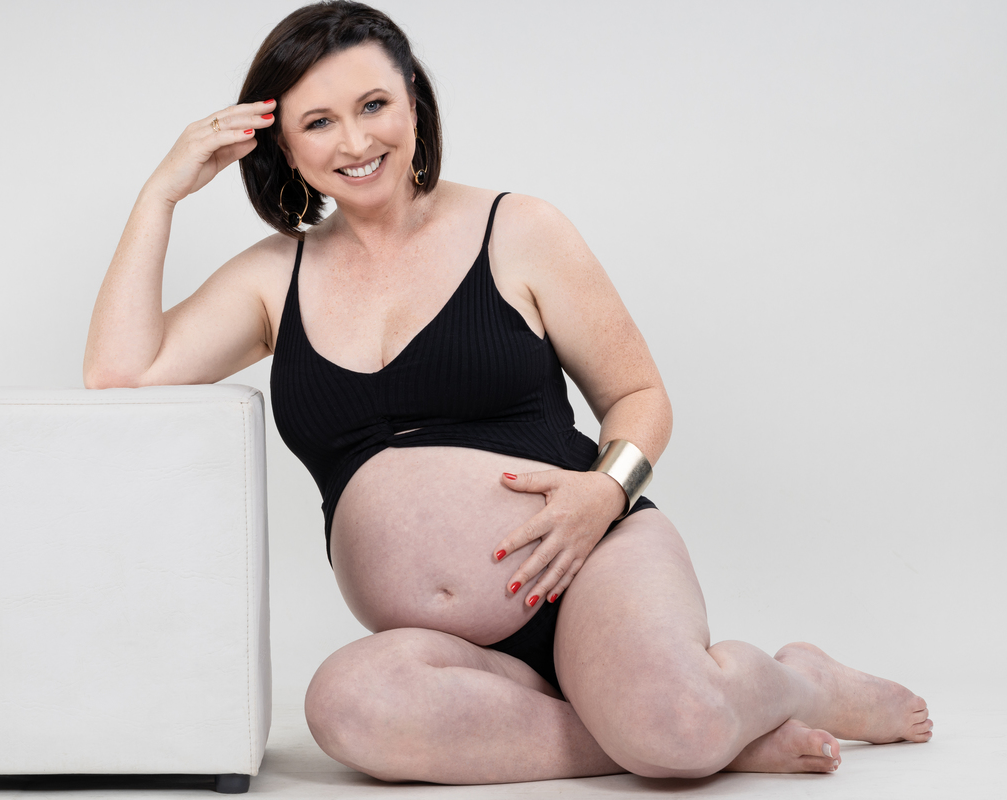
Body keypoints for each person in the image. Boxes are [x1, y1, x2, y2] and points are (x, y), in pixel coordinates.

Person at [83, 0, 932, 784]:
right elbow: (119, 372)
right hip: (455, 649)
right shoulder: (274, 279)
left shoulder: (518, 230)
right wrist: (162, 192)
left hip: (594, 562)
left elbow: (640, 394)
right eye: (319, 121)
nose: (355, 140)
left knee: (675, 725)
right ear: (286, 146)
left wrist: (604, 494)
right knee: (346, 707)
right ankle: (695, 732)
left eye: (374, 104)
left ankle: (791, 681)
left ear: (414, 103)